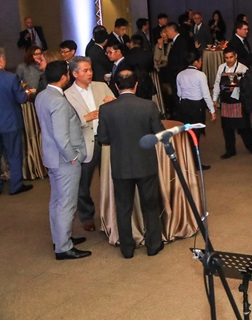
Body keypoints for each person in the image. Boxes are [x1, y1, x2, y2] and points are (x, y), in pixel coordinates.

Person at [96, 70, 165, 258]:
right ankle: (153, 245)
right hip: (145, 163)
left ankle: (127, 249)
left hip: (121, 165)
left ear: (116, 86)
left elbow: (103, 139)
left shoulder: (106, 109)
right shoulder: (148, 106)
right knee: (150, 205)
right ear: (136, 85)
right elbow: (159, 134)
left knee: (123, 207)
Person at [36, 61, 91, 260]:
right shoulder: (58, 100)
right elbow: (61, 136)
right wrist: (73, 156)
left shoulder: (42, 95)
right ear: (63, 77)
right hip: (64, 160)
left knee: (57, 201)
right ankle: (63, 247)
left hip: (51, 157)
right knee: (66, 204)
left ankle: (60, 238)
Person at [64, 57, 115, 232]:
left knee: (111, 178)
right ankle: (86, 216)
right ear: (75, 73)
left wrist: (113, 103)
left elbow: (117, 107)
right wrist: (85, 118)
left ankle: (111, 214)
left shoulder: (101, 86)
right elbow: (65, 124)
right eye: (85, 70)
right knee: (83, 183)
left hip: (106, 139)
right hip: (85, 142)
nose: (90, 73)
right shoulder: (67, 95)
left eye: (90, 69)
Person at [212, 47, 252, 159]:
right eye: (226, 58)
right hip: (226, 102)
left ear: (236, 56)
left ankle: (251, 147)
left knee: (244, 127)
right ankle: (230, 150)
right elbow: (217, 83)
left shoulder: (243, 68)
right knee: (227, 128)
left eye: (231, 57)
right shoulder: (221, 68)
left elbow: (248, 87)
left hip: (239, 102)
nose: (229, 60)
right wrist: (214, 99)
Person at [0, 47, 33, 195]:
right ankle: (15, 186)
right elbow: (21, 98)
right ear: (2, 60)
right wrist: (26, 93)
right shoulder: (11, 78)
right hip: (11, 123)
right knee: (13, 155)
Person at [176, 50, 216, 169]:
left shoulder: (180, 74)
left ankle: (187, 160)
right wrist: (212, 110)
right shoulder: (200, 75)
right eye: (200, 60)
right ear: (196, 61)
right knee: (195, 135)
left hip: (184, 106)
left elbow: (179, 93)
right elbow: (206, 94)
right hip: (196, 107)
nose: (201, 63)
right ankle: (195, 162)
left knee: (187, 134)